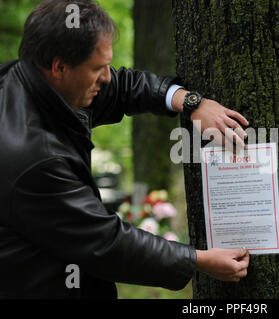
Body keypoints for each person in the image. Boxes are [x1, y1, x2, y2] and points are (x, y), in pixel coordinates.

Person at [0, 0, 250, 299]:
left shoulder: (33, 80)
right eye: (98, 68)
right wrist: (196, 260)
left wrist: (190, 102)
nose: (106, 76)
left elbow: (122, 86)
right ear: (59, 67)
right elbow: (105, 242)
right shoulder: (32, 158)